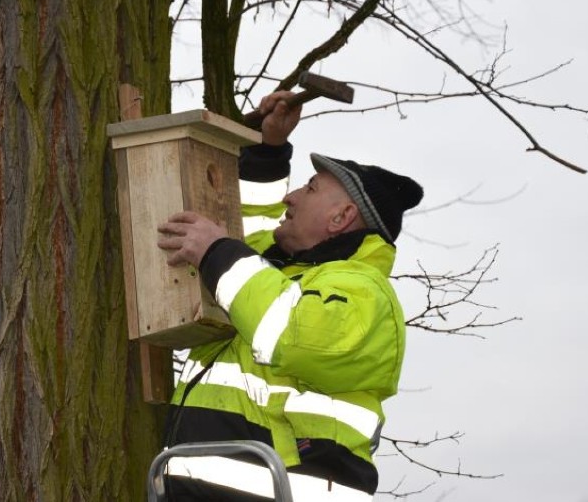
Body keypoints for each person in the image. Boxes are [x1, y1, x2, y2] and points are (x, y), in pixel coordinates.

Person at [156, 91, 424, 501]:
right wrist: (269, 149)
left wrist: (215, 251)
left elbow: (289, 329)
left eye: (311, 188)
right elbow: (246, 233)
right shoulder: (284, 275)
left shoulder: (364, 293)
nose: (291, 196)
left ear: (340, 218)